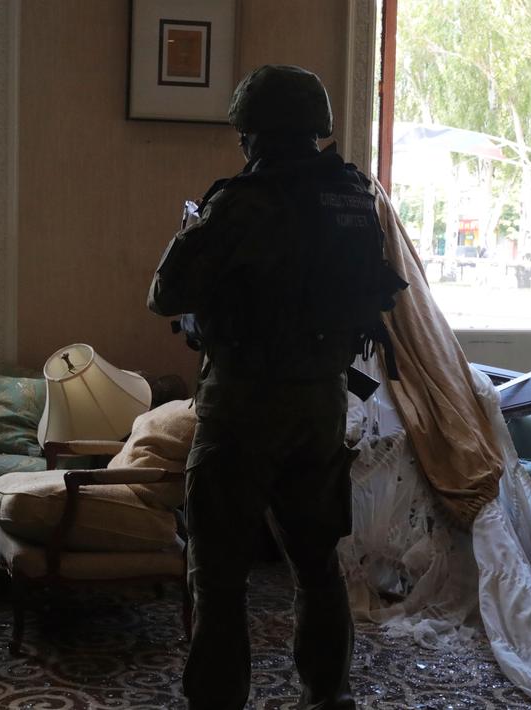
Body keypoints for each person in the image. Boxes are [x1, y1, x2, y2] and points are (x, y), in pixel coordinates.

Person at [147, 64, 407, 710]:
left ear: (255, 132)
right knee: (317, 566)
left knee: (218, 577)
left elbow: (165, 294)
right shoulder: (352, 199)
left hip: (242, 405)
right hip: (320, 404)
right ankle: (328, 698)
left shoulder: (241, 201)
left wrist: (193, 228)